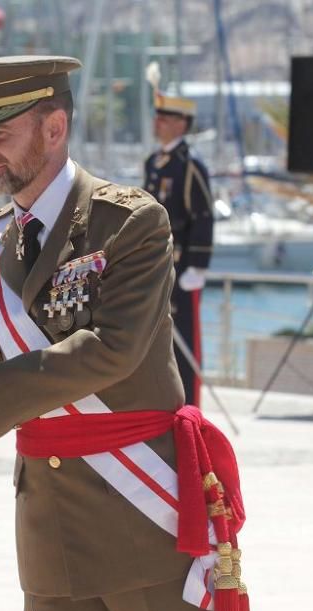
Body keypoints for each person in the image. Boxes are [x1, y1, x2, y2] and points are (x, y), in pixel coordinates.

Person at [0, 56, 251, 611]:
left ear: (54, 128)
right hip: (49, 528)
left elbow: (114, 349)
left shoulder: (130, 221)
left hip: (143, 513)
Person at [143, 88, 214, 407]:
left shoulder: (190, 165)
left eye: (165, 118)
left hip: (182, 267)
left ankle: (190, 407)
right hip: (156, 266)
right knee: (155, 338)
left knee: (185, 340)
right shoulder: (154, 163)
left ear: (182, 124)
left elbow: (203, 214)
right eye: (157, 117)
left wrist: (198, 266)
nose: (158, 123)